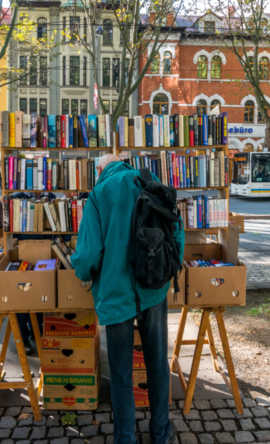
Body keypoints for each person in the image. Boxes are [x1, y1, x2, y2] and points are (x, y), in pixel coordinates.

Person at [71, 155, 183, 444]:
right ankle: (160, 433)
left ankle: (125, 438)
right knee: (157, 363)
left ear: (100, 169)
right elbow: (176, 231)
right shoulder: (149, 181)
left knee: (121, 371)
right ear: (123, 162)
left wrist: (83, 269)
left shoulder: (98, 195)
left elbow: (86, 258)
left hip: (116, 293)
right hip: (153, 288)